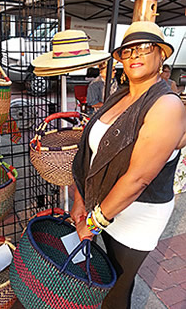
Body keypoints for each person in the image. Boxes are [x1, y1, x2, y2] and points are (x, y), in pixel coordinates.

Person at [71, 21, 186, 309]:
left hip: (137, 213)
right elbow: (90, 151)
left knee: (114, 290)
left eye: (144, 47)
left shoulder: (166, 105)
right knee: (114, 278)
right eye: (127, 50)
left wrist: (93, 221)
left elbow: (138, 178)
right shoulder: (120, 95)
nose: (134, 55)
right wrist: (79, 198)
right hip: (104, 204)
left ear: (162, 55)